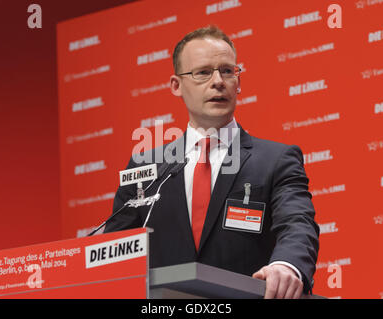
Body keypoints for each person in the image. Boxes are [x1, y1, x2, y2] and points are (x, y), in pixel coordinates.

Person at [104, 25, 319, 299]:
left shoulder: (276, 160)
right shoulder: (146, 167)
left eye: (228, 71)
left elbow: (297, 223)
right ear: (176, 85)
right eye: (203, 72)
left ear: (238, 83)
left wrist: (286, 265)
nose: (218, 81)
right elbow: (113, 251)